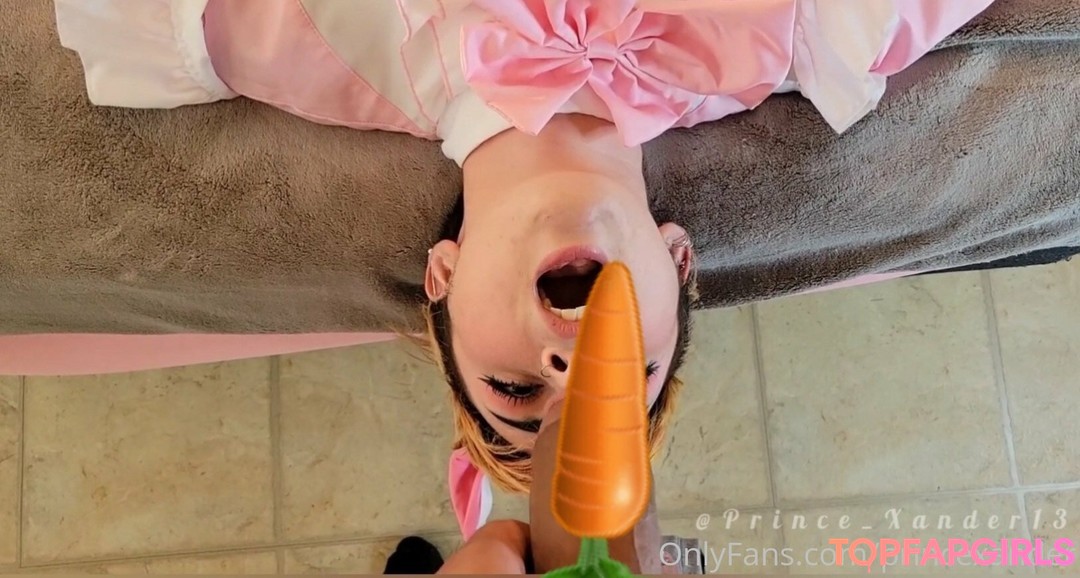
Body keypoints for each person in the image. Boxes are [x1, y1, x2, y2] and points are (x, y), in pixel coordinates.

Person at [56, 0, 996, 537]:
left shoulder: (320, 50)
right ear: (679, 263)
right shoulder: (796, 40)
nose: (565, 370)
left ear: (444, 277)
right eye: (619, 380)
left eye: (514, 390)